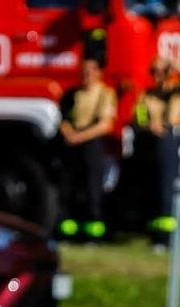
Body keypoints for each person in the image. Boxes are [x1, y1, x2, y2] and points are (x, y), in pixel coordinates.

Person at [57, 55, 118, 242]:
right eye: (84, 70)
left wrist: (80, 137)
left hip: (92, 142)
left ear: (99, 72)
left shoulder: (105, 93)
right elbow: (63, 117)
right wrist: (68, 132)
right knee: (68, 189)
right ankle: (68, 232)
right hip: (72, 143)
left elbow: (105, 125)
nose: (87, 74)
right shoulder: (73, 94)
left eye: (91, 70)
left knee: (93, 189)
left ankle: (94, 235)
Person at [132, 57, 180, 250]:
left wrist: (174, 68)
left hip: (170, 140)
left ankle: (167, 238)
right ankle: (154, 236)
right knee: (152, 189)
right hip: (150, 141)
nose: (157, 75)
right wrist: (149, 125)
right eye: (153, 71)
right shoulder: (146, 95)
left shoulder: (176, 93)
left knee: (167, 190)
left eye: (161, 71)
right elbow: (138, 117)